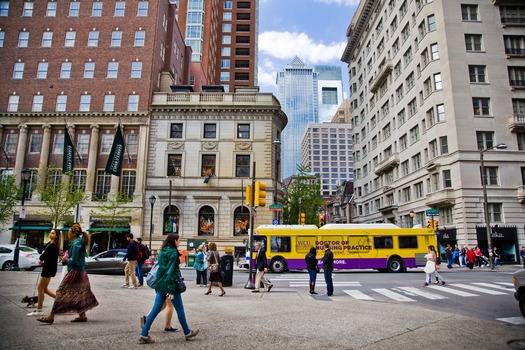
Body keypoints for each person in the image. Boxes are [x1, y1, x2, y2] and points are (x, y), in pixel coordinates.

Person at [139, 233, 199, 344]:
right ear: (174, 241)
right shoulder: (174, 254)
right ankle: (187, 332)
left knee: (155, 309)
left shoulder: (162, 252)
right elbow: (171, 272)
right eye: (179, 240)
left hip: (160, 284)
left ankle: (144, 333)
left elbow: (161, 269)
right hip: (171, 285)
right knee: (180, 309)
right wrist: (170, 289)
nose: (180, 242)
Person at [37, 223, 98, 324]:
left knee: (61, 291)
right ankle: (82, 315)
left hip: (75, 271)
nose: (68, 234)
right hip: (80, 271)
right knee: (80, 293)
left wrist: (65, 259)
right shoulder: (78, 242)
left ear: (73, 233)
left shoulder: (76, 244)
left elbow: (73, 260)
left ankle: (51, 316)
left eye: (69, 232)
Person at [27, 228, 60, 317]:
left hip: (48, 268)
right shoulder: (51, 244)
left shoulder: (53, 246)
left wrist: (44, 252)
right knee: (44, 289)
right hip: (49, 268)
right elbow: (40, 250)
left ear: (56, 236)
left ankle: (39, 309)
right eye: (50, 233)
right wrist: (43, 251)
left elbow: (42, 257)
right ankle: (60, 300)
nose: (50, 234)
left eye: (53, 233)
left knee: (40, 287)